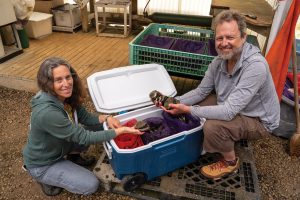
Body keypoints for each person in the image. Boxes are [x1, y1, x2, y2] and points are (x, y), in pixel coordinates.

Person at [157, 10, 280, 179]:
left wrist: (188, 110)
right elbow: (201, 91)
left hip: (258, 120)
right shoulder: (218, 62)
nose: (224, 43)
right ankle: (218, 137)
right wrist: (173, 102)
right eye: (219, 38)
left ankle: (230, 162)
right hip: (235, 106)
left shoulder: (255, 65)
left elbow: (228, 111)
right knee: (206, 101)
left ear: (243, 38)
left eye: (230, 37)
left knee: (212, 126)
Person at [22, 57, 142, 196]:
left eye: (68, 77)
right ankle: (44, 178)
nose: (66, 83)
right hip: (43, 163)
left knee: (99, 126)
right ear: (48, 83)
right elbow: (84, 137)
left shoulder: (64, 97)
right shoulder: (48, 113)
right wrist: (119, 131)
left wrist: (107, 118)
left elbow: (85, 118)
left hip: (60, 145)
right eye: (58, 80)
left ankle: (72, 156)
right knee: (90, 185)